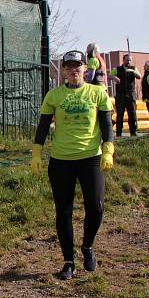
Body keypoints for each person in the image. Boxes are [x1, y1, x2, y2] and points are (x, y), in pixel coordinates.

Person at [31, 50, 114, 280]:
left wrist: (108, 150)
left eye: (77, 66)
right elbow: (43, 126)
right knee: (63, 211)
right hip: (61, 161)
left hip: (91, 159)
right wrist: (36, 153)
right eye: (69, 66)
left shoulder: (97, 93)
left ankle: (87, 247)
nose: (73, 70)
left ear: (85, 68)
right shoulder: (54, 96)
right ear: (64, 71)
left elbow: (107, 125)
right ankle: (68, 261)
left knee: (95, 207)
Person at [110, 54, 142, 136]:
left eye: (130, 60)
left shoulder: (134, 68)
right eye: (127, 60)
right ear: (123, 60)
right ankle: (119, 133)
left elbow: (139, 76)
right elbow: (110, 75)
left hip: (131, 94)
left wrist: (133, 72)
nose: (129, 62)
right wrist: (114, 77)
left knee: (132, 114)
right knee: (120, 114)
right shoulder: (117, 69)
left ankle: (133, 132)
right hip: (120, 95)